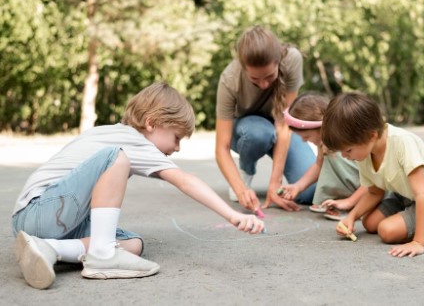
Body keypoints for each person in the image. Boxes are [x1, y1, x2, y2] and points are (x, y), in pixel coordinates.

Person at [12, 82, 265, 290]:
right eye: (176, 137)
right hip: (38, 212)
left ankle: (49, 249)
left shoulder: (109, 133)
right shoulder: (130, 142)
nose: (177, 147)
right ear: (151, 123)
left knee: (134, 244)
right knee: (117, 157)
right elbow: (185, 180)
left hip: (48, 222)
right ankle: (101, 256)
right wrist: (233, 215)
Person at [321, 91, 424, 257]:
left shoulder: (402, 143)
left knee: (386, 230)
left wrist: (418, 242)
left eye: (347, 150)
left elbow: (423, 194)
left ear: (371, 136)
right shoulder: (364, 153)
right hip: (406, 195)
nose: (345, 156)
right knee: (369, 223)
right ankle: (409, 220)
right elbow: (375, 192)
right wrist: (352, 217)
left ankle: (419, 228)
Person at [215, 25, 316, 213]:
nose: (263, 84)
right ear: (243, 68)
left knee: (309, 192)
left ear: (278, 61)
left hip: (280, 126)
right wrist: (240, 189)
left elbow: (284, 123)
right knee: (259, 132)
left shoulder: (292, 59)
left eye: (269, 77)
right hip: (247, 130)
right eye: (255, 79)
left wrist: (274, 184)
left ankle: (281, 184)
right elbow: (222, 147)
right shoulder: (229, 79)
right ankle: (246, 171)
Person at [280, 91, 367, 220]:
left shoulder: (350, 142)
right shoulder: (323, 143)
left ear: (322, 128)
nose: (304, 141)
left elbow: (371, 179)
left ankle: (354, 203)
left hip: (367, 188)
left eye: (307, 136)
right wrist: (297, 186)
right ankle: (344, 201)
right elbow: (318, 166)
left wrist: (350, 201)